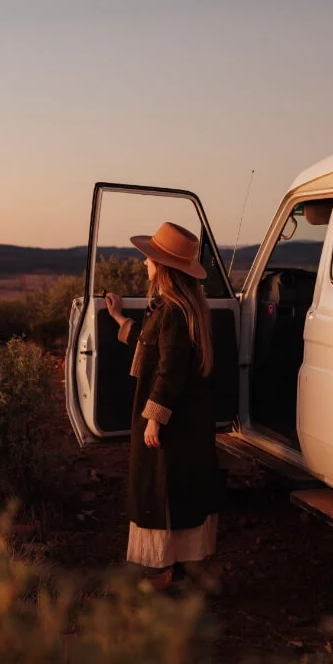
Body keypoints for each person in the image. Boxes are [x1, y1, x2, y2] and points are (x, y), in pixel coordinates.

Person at [104, 221, 221, 591]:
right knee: (183, 489)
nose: (144, 264)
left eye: (149, 259)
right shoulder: (179, 308)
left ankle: (164, 572)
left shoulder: (173, 311)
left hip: (175, 421)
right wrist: (120, 318)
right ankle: (182, 571)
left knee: (163, 488)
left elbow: (169, 370)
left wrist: (154, 419)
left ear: (164, 267)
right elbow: (151, 343)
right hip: (188, 420)